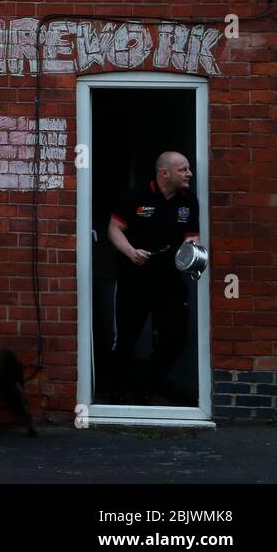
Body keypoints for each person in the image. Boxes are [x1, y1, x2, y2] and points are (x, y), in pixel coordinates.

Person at [107, 152, 200, 404]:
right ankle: (116, 390)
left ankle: (148, 384)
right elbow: (114, 229)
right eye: (183, 170)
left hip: (168, 281)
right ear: (164, 173)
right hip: (133, 278)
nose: (189, 174)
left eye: (188, 169)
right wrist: (130, 252)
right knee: (127, 337)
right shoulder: (134, 196)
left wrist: (192, 254)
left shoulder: (188, 201)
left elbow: (191, 238)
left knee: (176, 336)